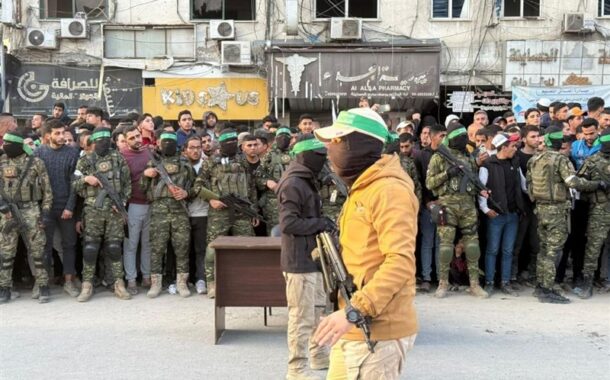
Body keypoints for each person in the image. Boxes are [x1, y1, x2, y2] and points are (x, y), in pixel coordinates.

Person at [312, 107, 418, 380]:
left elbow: (400, 262)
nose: (329, 150)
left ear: (357, 144)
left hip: (376, 331)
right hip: (352, 324)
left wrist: (356, 309)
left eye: (337, 142)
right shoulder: (363, 185)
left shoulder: (388, 190)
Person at [526, 125, 601, 304]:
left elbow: (529, 185)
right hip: (557, 210)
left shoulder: (535, 159)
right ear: (558, 141)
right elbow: (572, 182)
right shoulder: (560, 159)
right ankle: (548, 289)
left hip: (540, 208)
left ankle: (540, 285)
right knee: (554, 251)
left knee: (543, 250)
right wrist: (595, 185)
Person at [276, 134, 330, 380]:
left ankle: (318, 355)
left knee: (318, 310)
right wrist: (320, 223)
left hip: (314, 258)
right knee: (301, 317)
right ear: (305, 156)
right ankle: (296, 369)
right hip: (299, 262)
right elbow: (288, 223)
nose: (323, 160)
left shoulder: (307, 180)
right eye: (318, 156)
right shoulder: (293, 183)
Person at [426, 123, 489, 299]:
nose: (464, 141)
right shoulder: (439, 157)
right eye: (461, 138)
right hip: (447, 205)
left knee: (472, 245)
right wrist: (448, 173)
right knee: (446, 247)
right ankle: (443, 283)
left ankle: (474, 284)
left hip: (468, 205)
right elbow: (429, 184)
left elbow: (473, 182)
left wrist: (482, 190)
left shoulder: (468, 158)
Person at [193, 128, 257, 298]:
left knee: (247, 248)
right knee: (212, 249)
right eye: (227, 142)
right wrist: (212, 200)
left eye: (234, 142)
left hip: (242, 212)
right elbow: (197, 187)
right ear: (220, 144)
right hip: (219, 213)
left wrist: (253, 211)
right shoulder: (211, 162)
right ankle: (212, 284)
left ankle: (246, 282)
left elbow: (251, 188)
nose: (231, 145)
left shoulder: (244, 162)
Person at [72, 126, 132, 302]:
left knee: (114, 248)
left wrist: (122, 202)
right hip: (92, 211)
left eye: (107, 140)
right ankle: (87, 284)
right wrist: (85, 179)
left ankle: (118, 283)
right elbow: (74, 183)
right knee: (90, 249)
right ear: (93, 142)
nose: (104, 144)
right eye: (100, 141)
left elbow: (127, 184)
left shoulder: (118, 158)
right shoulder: (85, 160)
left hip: (114, 210)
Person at [0, 131, 53, 303]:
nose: (5, 147)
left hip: (31, 209)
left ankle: (43, 286)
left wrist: (45, 212)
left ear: (18, 145)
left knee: (38, 251)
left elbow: (48, 191)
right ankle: (4, 287)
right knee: (6, 253)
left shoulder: (36, 162)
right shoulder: (2, 161)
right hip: (7, 212)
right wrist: (2, 206)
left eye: (8, 144)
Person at [141, 131, 194, 298]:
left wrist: (186, 193)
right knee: (157, 248)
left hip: (180, 209)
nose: (168, 145)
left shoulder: (185, 163)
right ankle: (156, 283)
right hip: (158, 210)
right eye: (165, 142)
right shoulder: (152, 163)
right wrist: (146, 175)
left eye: (171, 142)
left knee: (182, 247)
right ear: (159, 144)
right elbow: (143, 188)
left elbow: (195, 186)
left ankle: (182, 282)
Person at [35, 119, 80, 297]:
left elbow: (75, 184)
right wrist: (39, 209)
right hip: (45, 208)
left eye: (63, 132)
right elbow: (34, 183)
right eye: (57, 133)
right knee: (44, 246)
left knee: (69, 245)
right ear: (47, 136)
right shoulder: (38, 153)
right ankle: (41, 283)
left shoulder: (72, 153)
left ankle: (69, 281)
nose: (62, 136)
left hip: (66, 207)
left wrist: (70, 207)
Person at [478, 133, 523, 296]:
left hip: (512, 215)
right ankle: (489, 282)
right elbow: (481, 189)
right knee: (492, 250)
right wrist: (485, 209)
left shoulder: (514, 162)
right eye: (512, 146)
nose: (515, 148)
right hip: (495, 215)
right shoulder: (487, 165)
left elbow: (522, 184)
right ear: (503, 147)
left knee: (508, 250)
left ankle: (505, 282)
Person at [571, 128, 610, 298]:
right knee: (593, 247)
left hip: (600, 209)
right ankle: (587, 283)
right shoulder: (592, 161)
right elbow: (577, 182)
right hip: (599, 210)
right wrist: (597, 185)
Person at [120, 125, 152, 294]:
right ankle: (131, 279)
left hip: (151, 205)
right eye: (131, 138)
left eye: (138, 136)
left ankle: (146, 277)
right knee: (131, 245)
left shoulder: (150, 153)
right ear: (125, 141)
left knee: (147, 244)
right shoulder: (122, 157)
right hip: (133, 205)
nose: (136, 140)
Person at [415, 124, 445, 291]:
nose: (443, 139)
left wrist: (442, 200)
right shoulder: (421, 156)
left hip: (444, 204)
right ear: (433, 137)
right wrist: (427, 202)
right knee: (427, 242)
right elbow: (419, 181)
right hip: (427, 206)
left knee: (441, 242)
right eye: (441, 136)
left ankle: (441, 278)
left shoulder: (447, 155)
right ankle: (426, 277)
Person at [513, 125, 541, 285]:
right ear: (523, 139)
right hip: (521, 207)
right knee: (517, 243)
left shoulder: (541, 157)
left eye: (538, 136)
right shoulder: (516, 156)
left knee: (535, 244)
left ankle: (530, 275)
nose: (536, 140)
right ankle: (513, 276)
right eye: (533, 136)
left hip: (536, 207)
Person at [183, 136, 209, 294]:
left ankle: (201, 279)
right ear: (185, 150)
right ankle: (183, 280)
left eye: (198, 147)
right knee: (183, 250)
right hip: (182, 213)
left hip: (202, 212)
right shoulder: (180, 166)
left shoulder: (208, 165)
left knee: (201, 249)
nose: (195, 150)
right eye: (192, 147)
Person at [255, 127, 293, 234]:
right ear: (276, 138)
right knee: (273, 232)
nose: (284, 139)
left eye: (287, 136)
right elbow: (258, 176)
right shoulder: (269, 155)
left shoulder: (296, 154)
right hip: (273, 201)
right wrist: (267, 182)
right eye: (281, 136)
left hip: (292, 198)